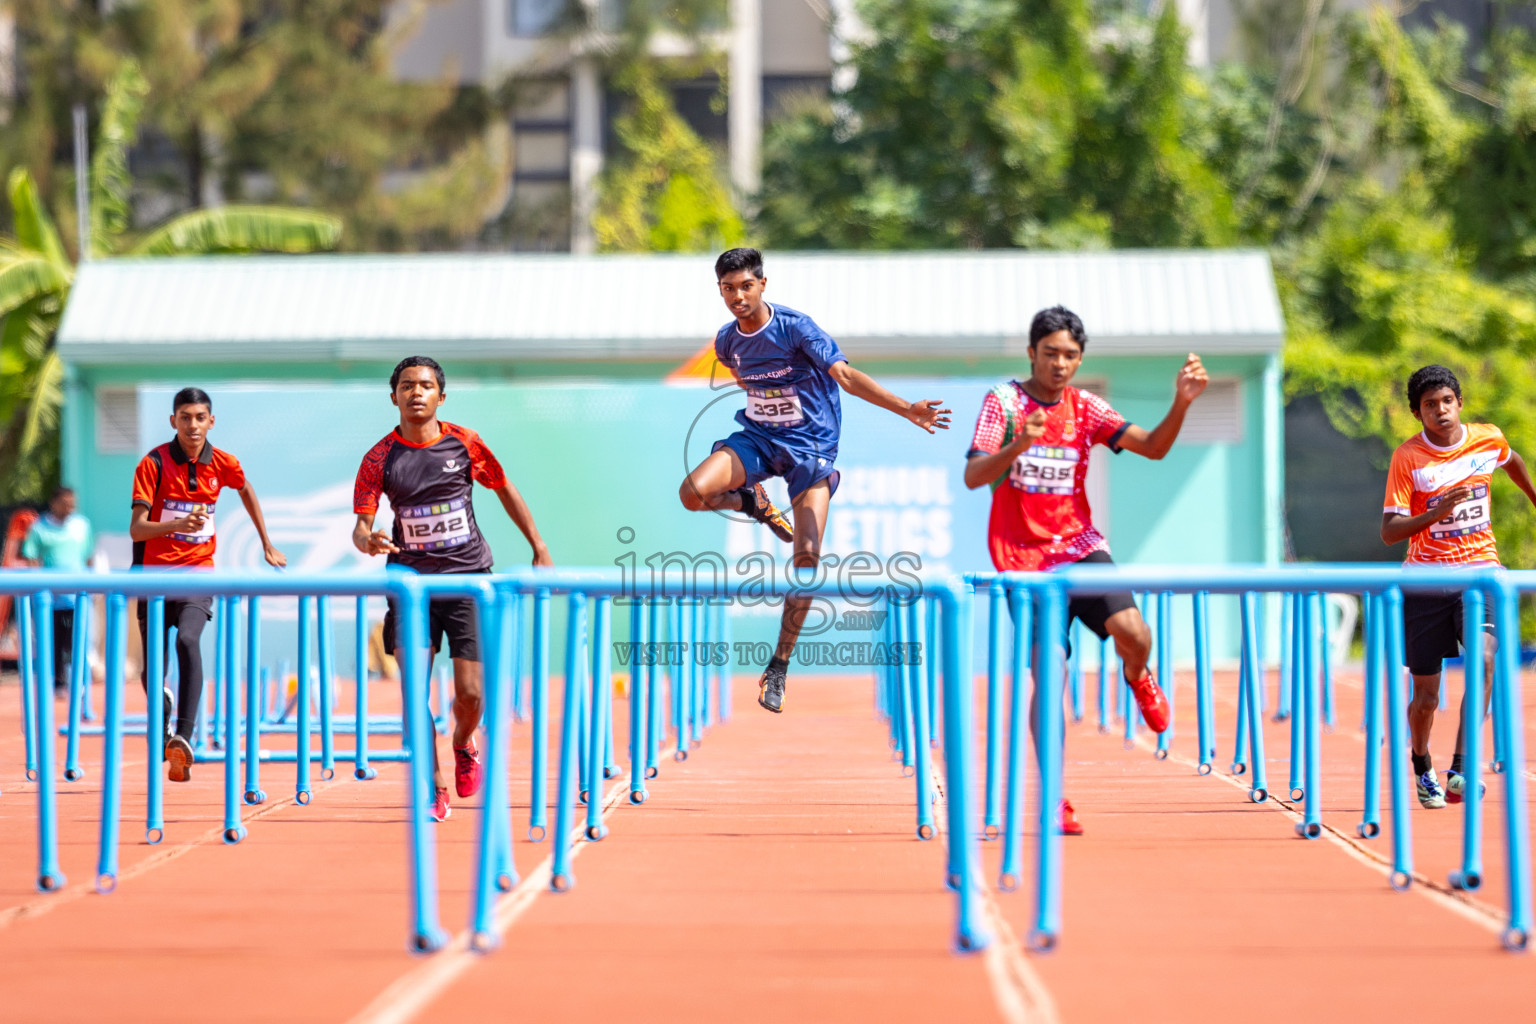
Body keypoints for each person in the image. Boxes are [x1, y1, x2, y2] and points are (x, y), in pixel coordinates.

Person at [963, 305, 1207, 835]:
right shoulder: (1002, 403)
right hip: (1023, 560)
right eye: (1050, 353)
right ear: (1032, 354)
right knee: (1049, 677)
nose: (1059, 364)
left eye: (1070, 355)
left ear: (1079, 360)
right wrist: (1020, 443)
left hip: (1079, 546)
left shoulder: (1086, 406)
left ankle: (1138, 676)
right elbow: (973, 475)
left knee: (1133, 632)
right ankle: (1054, 797)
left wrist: (1181, 403)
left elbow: (1154, 449)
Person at [678, 247, 951, 714]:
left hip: (811, 451)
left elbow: (844, 375)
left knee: (806, 557)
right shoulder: (726, 342)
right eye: (728, 289)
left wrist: (907, 409)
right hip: (759, 439)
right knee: (693, 493)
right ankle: (751, 502)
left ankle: (779, 666)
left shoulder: (797, 328)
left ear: (763, 284)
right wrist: (771, 411)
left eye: (746, 286)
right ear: (719, 290)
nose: (738, 296)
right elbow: (750, 384)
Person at [353, 356, 552, 822]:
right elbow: (361, 527)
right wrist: (367, 540)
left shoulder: (465, 443)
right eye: (407, 386)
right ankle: (434, 785)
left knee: (472, 695)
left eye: (425, 385)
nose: (416, 392)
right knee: (412, 691)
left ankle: (463, 741)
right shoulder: (379, 458)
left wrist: (538, 545)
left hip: (467, 582)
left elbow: (503, 488)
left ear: (441, 395)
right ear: (394, 396)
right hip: (410, 586)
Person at [1381, 364, 1536, 808]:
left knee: (1485, 660)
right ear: (1418, 413)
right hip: (1426, 581)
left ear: (1460, 403)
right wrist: (1435, 512)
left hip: (1479, 572)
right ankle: (1420, 761)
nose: (1441, 411)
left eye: (1447, 401)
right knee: (1426, 696)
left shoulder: (1488, 438)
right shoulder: (1408, 458)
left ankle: (1462, 769)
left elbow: (1513, 461)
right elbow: (1390, 532)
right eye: (1430, 405)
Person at [130, 387, 287, 782]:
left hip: (198, 572)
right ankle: (164, 718)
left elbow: (246, 488)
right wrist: (176, 525)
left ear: (211, 421)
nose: (193, 425)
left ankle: (183, 737)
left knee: (187, 641)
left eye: (200, 417)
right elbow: (137, 529)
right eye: (185, 417)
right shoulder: (153, 464)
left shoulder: (222, 462)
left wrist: (266, 542)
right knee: (153, 671)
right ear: (173, 422)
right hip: (152, 577)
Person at [21, 487, 93, 694]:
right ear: (54, 503)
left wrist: (91, 582)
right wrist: (39, 586)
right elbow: (31, 557)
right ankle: (56, 682)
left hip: (77, 596)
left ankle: (78, 683)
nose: (70, 507)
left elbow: (89, 555)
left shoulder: (81, 525)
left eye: (72, 503)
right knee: (52, 641)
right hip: (50, 598)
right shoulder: (40, 527)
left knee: (77, 640)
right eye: (65, 503)